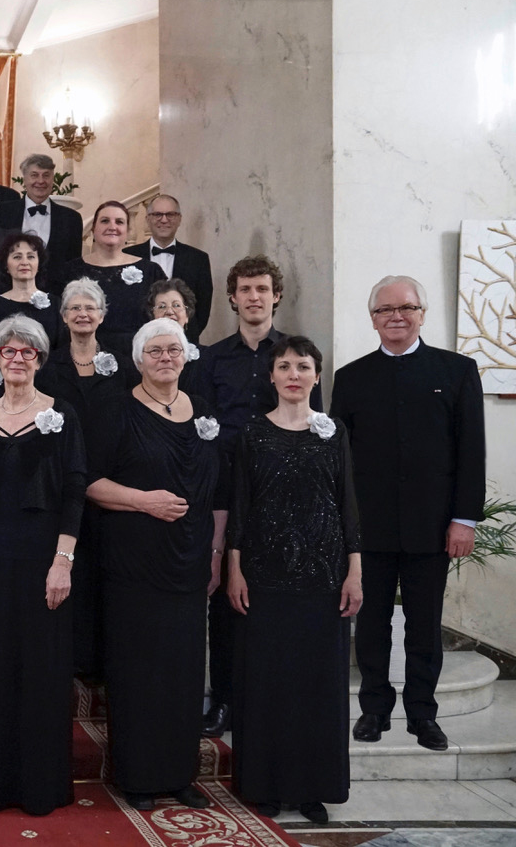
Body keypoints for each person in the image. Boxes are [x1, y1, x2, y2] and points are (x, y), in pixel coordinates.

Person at [331, 275, 486, 752]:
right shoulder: (351, 377)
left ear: (422, 313)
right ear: (372, 319)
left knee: (424, 624)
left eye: (406, 308)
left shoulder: (457, 371)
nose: (396, 316)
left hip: (432, 525)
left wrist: (465, 519)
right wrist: (343, 526)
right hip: (370, 527)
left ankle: (423, 713)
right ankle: (374, 710)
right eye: (385, 310)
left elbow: (471, 450)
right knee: (372, 624)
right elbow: (340, 460)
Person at [85, 317, 220, 813]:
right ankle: (138, 777)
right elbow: (90, 483)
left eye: (174, 349)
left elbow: (215, 489)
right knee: (138, 672)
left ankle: (179, 775)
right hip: (133, 562)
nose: (166, 357)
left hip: (187, 560)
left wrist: (214, 551)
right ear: (139, 360)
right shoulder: (114, 409)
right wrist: (144, 502)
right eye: (156, 350)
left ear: (185, 357)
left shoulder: (202, 411)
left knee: (183, 673)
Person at [227, 335, 363, 824]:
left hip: (323, 580)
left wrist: (355, 571)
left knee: (316, 688)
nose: (293, 374)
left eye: (302, 366)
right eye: (283, 366)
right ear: (271, 377)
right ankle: (265, 785)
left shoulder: (335, 433)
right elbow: (240, 506)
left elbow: (348, 505)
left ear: (316, 375)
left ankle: (312, 788)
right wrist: (234, 568)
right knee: (267, 685)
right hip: (264, 579)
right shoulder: (251, 433)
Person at [0, 314, 85, 815]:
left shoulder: (63, 415)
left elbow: (74, 491)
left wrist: (63, 560)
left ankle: (42, 787)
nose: (15, 359)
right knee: (3, 668)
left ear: (39, 359)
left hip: (43, 559)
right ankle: (4, 783)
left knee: (44, 671)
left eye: (25, 352)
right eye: (7, 352)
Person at [193, 254, 322, 739]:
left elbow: (316, 424)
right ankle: (223, 697)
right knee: (225, 596)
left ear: (276, 296)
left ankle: (265, 699)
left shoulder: (293, 356)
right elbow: (201, 424)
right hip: (224, 484)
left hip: (276, 488)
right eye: (245, 290)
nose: (253, 297)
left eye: (262, 289)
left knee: (268, 595)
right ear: (231, 297)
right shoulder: (210, 357)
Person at [34, 277, 122, 681]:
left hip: (112, 481)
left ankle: (105, 664)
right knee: (72, 570)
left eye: (91, 307)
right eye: (75, 308)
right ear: (64, 316)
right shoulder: (48, 366)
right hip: (61, 483)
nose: (83, 314)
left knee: (107, 573)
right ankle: (71, 661)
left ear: (102, 315)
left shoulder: (122, 363)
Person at [62, 201, 165, 359]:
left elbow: (163, 319)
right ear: (94, 229)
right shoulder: (70, 271)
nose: (112, 226)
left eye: (119, 222)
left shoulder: (151, 271)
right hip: (85, 356)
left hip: (137, 357)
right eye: (104, 221)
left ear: (128, 230)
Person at [123, 194, 213, 341]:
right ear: (148, 219)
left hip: (184, 341)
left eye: (170, 214)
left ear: (179, 219)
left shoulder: (198, 259)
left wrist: (186, 335)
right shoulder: (128, 256)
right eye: (157, 214)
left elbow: (203, 308)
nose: (164, 220)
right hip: (138, 341)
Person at [0, 153, 83, 272]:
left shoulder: (72, 219)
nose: (41, 181)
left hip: (56, 289)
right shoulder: (2, 213)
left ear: (53, 179)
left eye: (46, 175)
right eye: (34, 175)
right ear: (24, 179)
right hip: (11, 287)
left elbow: (74, 264)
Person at [0, 232, 60, 347]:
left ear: (38, 263)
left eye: (31, 256)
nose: (24, 262)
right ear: (6, 265)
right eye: (17, 257)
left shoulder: (56, 304)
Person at [145, 277, 204, 391]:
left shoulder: (207, 358)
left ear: (187, 315)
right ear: (152, 316)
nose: (170, 311)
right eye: (162, 306)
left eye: (176, 305)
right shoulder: (144, 357)